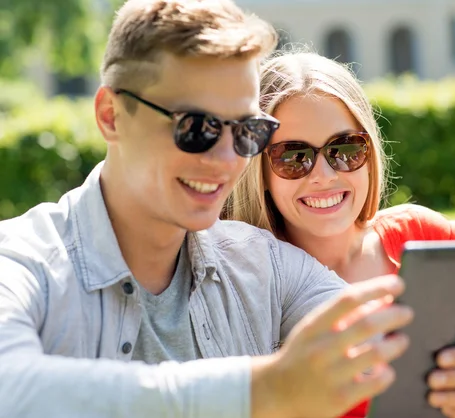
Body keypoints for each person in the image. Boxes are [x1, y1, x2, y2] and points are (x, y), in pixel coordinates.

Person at [0, 1, 417, 417]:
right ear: (111, 116)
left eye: (247, 131)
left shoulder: (264, 264)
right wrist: (260, 391)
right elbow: (11, 385)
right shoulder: (22, 263)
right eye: (197, 128)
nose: (226, 160)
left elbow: (391, 355)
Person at [223, 51, 455, 418]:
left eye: (345, 149)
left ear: (370, 152)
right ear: (260, 174)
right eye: (292, 156)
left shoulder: (424, 237)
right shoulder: (236, 279)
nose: (324, 175)